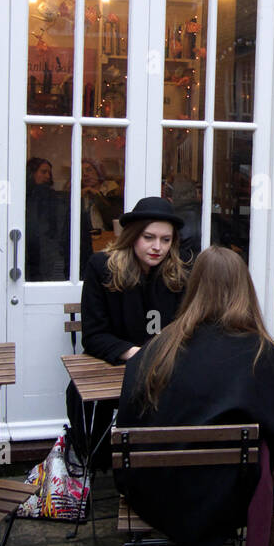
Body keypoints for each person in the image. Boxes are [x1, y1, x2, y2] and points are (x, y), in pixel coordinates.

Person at [115, 247, 274, 546]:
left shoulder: (155, 350)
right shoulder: (262, 356)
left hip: (154, 493)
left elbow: (128, 424)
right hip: (229, 499)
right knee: (264, 447)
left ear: (194, 287)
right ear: (245, 289)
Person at [73, 196, 189, 468]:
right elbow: (93, 334)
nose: (157, 247)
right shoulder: (102, 267)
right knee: (80, 395)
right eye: (149, 237)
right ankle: (95, 461)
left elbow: (186, 326)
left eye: (165, 239)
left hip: (163, 366)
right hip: (114, 363)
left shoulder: (178, 274)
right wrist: (138, 354)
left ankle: (163, 462)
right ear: (134, 235)